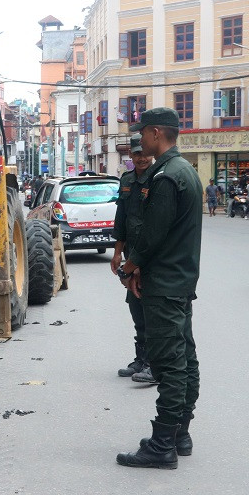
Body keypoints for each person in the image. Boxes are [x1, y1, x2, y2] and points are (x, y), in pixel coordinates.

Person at [115, 107, 202, 470]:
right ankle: (179, 434)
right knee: (185, 356)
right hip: (178, 279)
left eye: (142, 135)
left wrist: (129, 267)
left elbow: (153, 235)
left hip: (164, 282)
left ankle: (163, 443)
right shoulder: (185, 171)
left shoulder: (166, 176)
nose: (140, 141)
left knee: (169, 363)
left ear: (155, 133)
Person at [110, 135, 155, 384]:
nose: (141, 158)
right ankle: (140, 359)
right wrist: (117, 252)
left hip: (150, 256)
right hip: (130, 256)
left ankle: (152, 362)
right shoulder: (127, 180)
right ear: (130, 156)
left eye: (144, 153)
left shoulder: (158, 180)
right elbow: (122, 220)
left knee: (150, 309)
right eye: (136, 154)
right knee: (135, 306)